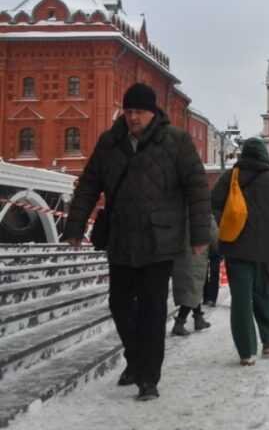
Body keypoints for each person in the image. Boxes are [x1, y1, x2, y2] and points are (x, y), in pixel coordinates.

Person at [64, 83, 211, 401]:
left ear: (152, 112)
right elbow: (89, 185)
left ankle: (148, 378)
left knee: (152, 309)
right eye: (129, 111)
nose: (133, 118)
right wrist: (74, 227)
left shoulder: (176, 141)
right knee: (118, 304)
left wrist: (200, 235)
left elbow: (198, 188)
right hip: (120, 238)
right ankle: (135, 358)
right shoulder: (110, 142)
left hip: (160, 240)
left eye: (139, 112)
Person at [211, 137, 269, 366]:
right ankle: (268, 342)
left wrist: (225, 225)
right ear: (264, 155)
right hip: (264, 251)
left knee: (241, 300)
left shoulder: (228, 178)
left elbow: (213, 204)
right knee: (264, 295)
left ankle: (246, 352)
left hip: (235, 248)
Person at [171, 244, 212, 335]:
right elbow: (209, 233)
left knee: (194, 290)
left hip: (182, 256)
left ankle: (198, 319)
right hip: (195, 256)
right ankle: (179, 324)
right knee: (191, 292)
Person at [202, 240, 222, 307]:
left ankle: (212, 299)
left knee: (214, 274)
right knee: (204, 274)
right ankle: (206, 298)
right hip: (205, 247)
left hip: (216, 249)